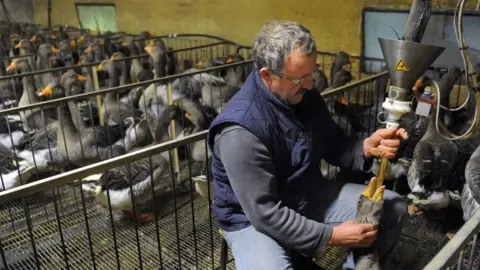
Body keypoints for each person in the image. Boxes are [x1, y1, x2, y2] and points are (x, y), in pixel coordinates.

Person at [207, 20, 409, 270]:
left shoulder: (305, 95)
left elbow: (334, 142)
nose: (311, 85)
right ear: (267, 75)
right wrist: (332, 235)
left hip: (303, 193)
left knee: (396, 207)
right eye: (300, 78)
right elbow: (265, 214)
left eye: (311, 74)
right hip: (250, 219)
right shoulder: (239, 131)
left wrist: (365, 147)